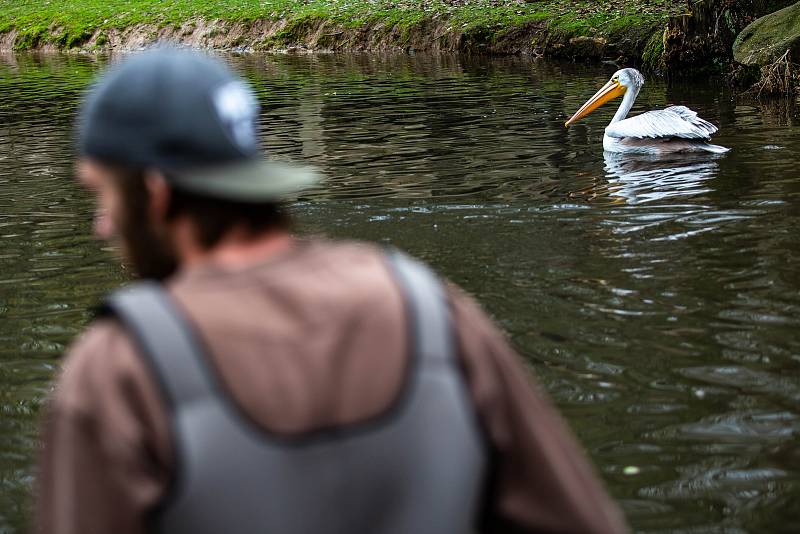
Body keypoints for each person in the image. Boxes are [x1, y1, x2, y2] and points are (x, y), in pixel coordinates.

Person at [35, 48, 627, 534]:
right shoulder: (431, 309)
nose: (102, 226)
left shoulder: (118, 369)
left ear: (158, 194)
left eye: (102, 196)